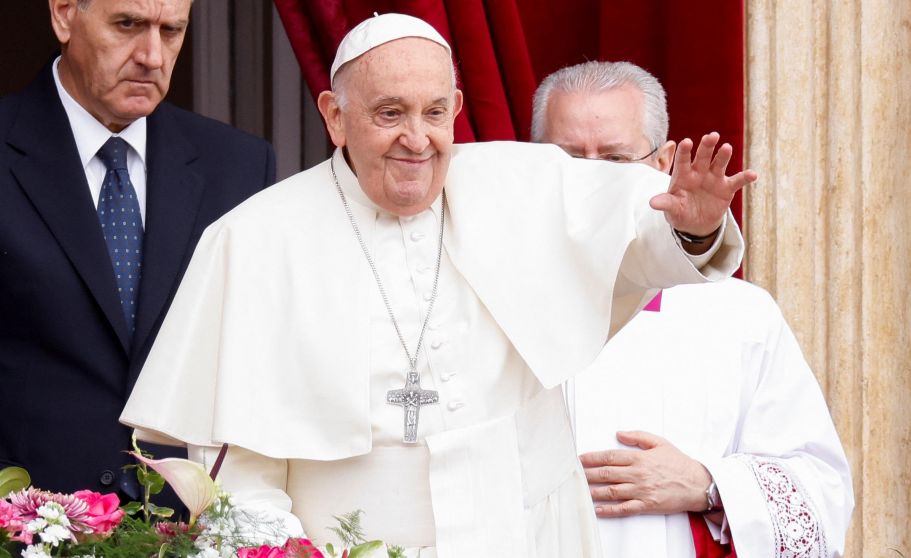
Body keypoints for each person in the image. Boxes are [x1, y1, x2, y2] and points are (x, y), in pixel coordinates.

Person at [121, 14, 756, 557]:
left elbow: (634, 237)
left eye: (433, 112)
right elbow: (238, 469)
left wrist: (695, 228)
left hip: (523, 537)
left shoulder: (521, 186)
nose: (417, 139)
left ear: (455, 108)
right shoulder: (254, 240)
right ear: (335, 116)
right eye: (389, 113)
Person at [532, 60, 854, 557]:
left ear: (662, 163)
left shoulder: (740, 317)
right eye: (571, 158)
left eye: (615, 158)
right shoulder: (490, 299)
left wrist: (707, 484)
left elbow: (822, 495)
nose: (592, 178)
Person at [0, 0, 275, 500]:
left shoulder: (238, 167)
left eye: (171, 31)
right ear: (64, 14)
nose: (152, 56)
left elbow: (260, 363)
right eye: (128, 24)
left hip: (191, 524)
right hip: (24, 518)